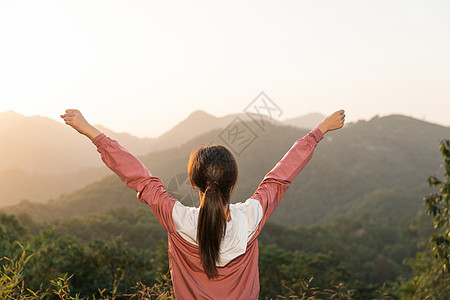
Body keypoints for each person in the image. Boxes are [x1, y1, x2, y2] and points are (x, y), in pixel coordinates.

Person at [60, 109, 345, 299]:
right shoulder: (251, 219)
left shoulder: (176, 219)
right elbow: (280, 177)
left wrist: (91, 132)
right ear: (233, 182)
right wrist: (318, 132)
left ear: (194, 183)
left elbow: (141, 178)